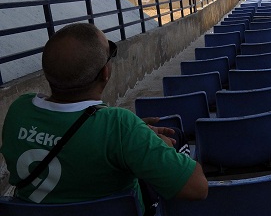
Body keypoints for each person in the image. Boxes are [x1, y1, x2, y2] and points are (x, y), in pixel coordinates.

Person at [0, 23, 208, 212]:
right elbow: (198, 188)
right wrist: (141, 138)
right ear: (105, 73)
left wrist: (136, 134)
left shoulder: (19, 109)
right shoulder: (120, 125)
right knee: (176, 138)